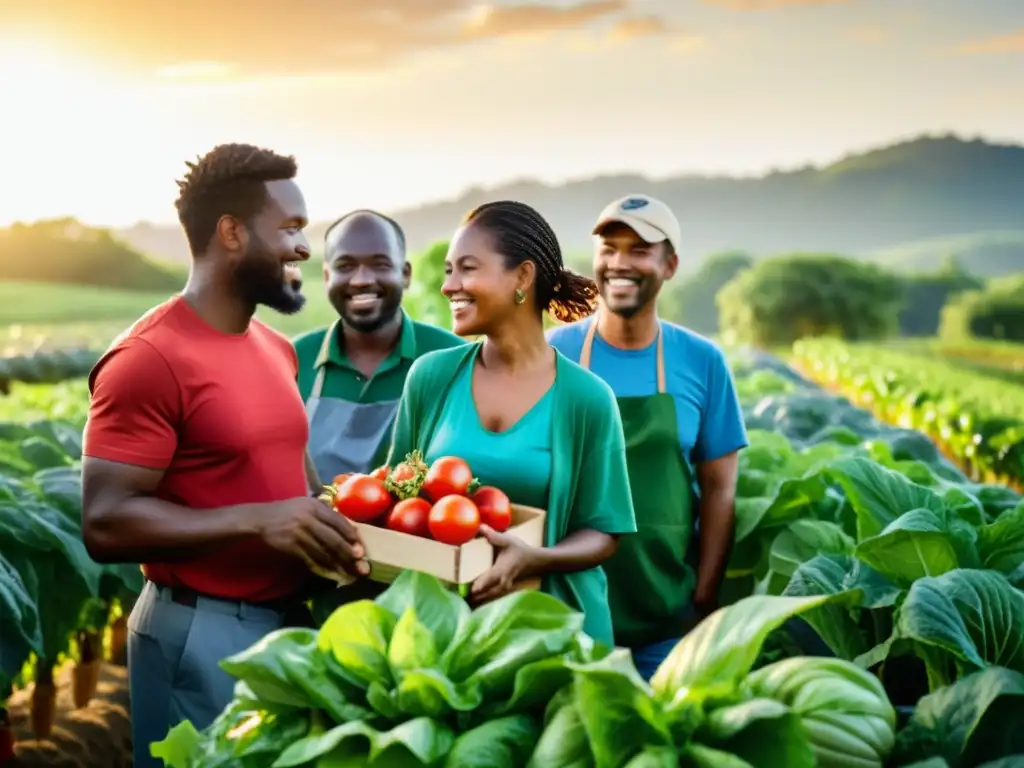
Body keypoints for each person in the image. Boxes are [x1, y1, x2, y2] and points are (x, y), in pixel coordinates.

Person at [80, 143, 368, 767]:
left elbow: (298, 481)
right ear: (232, 233)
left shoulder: (274, 347)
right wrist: (258, 519)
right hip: (202, 630)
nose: (302, 248)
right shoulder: (147, 360)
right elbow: (103, 522)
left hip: (285, 622)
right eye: (289, 229)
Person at [386, 200, 637, 646]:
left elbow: (605, 530)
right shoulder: (431, 378)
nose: (449, 287)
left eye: (466, 268)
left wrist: (535, 558)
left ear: (522, 277)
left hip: (554, 632)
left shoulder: (587, 399)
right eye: (448, 271)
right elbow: (397, 496)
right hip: (441, 636)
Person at [546, 194, 748, 680]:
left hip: (666, 618)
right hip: (565, 611)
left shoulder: (702, 361)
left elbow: (721, 490)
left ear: (670, 265)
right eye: (609, 248)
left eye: (639, 250)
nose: (619, 263)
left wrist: (702, 600)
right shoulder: (553, 354)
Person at [293, 209, 463, 485]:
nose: (362, 279)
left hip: (409, 527)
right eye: (345, 266)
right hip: (309, 526)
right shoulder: (294, 359)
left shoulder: (452, 358)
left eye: (380, 264)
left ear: (405, 274)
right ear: (326, 276)